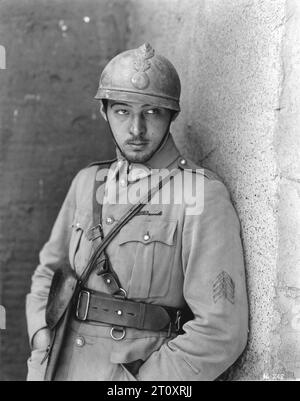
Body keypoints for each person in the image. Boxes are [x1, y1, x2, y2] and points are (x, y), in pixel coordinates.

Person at [26, 43, 248, 381]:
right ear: (104, 112)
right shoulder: (88, 182)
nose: (136, 130)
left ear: (172, 115)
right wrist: (42, 339)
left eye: (152, 112)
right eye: (122, 111)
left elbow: (221, 330)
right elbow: (49, 271)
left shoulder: (201, 194)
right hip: (59, 365)